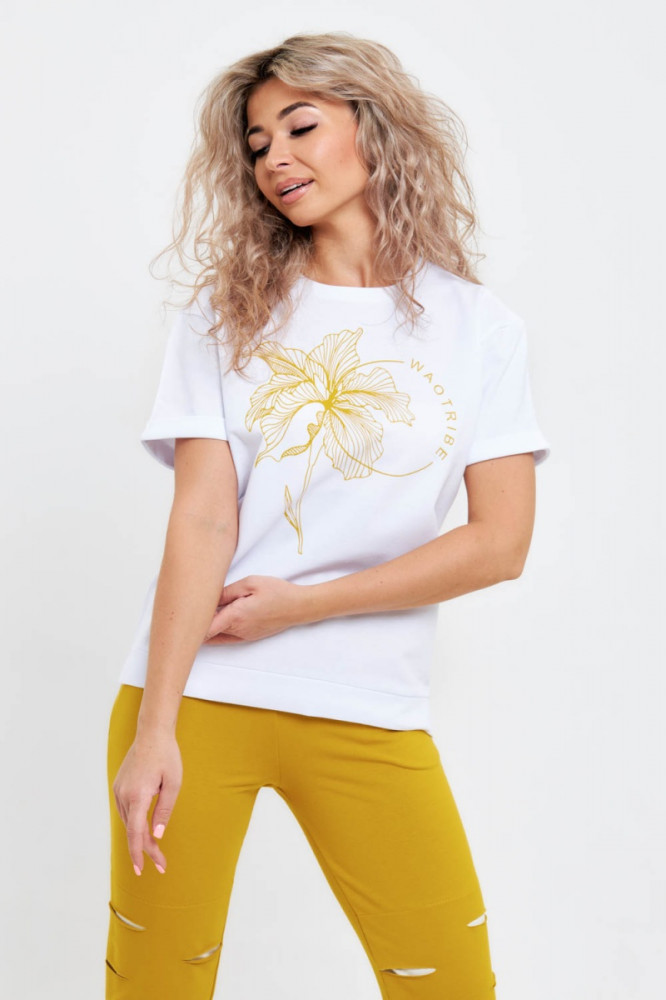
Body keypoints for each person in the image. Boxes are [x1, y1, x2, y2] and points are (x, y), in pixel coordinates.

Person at [106, 30, 551, 1000]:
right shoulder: (225, 314)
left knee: (447, 981)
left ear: (373, 126)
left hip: (366, 701)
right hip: (198, 697)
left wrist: (303, 605)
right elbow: (203, 522)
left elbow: (500, 543)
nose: (276, 157)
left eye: (300, 126)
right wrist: (153, 729)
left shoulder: (480, 329)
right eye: (257, 143)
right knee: (157, 982)